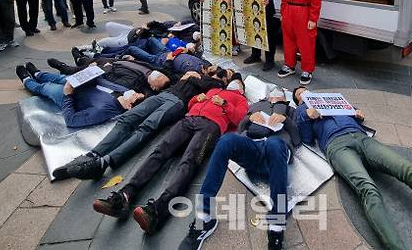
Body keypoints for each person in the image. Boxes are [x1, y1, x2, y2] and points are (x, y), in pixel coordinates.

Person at [292, 87, 412, 250]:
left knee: (411, 172)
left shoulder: (329, 100)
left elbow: (355, 114)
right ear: (298, 101)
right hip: (337, 146)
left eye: (304, 90)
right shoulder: (301, 111)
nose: (303, 92)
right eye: (299, 94)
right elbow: (307, 139)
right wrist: (307, 116)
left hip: (362, 138)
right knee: (367, 189)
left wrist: (358, 113)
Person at [93, 75, 249, 233]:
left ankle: (158, 210)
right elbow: (190, 104)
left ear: (242, 89)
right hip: (188, 120)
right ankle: (125, 195)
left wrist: (224, 104)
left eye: (238, 83)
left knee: (190, 161)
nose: (235, 83)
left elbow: (240, 119)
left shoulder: (241, 100)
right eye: (233, 82)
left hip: (210, 127)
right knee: (160, 151)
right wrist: (197, 98)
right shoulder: (215, 90)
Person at [53, 68, 234, 181]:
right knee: (127, 119)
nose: (217, 69)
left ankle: (105, 162)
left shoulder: (215, 85)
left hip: (177, 102)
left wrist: (191, 77)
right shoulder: (192, 73)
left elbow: (204, 86)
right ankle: (92, 155)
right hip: (162, 95)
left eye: (226, 72)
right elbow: (167, 74)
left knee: (146, 128)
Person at [179, 87, 300, 250]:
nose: (275, 96)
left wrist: (285, 119)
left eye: (279, 95)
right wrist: (249, 117)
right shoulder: (256, 106)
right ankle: (203, 217)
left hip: (275, 153)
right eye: (272, 94)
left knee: (274, 143)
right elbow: (240, 128)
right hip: (251, 149)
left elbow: (298, 138)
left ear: (285, 98)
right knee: (227, 140)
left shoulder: (290, 110)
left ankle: (276, 228)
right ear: (267, 96)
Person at [16, 63, 148, 128]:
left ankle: (27, 80)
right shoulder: (125, 91)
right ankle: (39, 74)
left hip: (70, 96)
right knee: (59, 77)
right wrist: (93, 71)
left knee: (45, 88)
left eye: (136, 96)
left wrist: (67, 95)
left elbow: (71, 120)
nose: (135, 93)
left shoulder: (103, 111)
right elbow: (103, 82)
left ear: (130, 106)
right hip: (81, 83)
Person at [123, 37, 210, 75]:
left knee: (132, 48)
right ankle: (141, 52)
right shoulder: (203, 62)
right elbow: (194, 55)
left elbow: (169, 73)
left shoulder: (193, 74)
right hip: (167, 51)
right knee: (151, 39)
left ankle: (120, 55)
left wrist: (169, 60)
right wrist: (186, 51)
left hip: (158, 60)